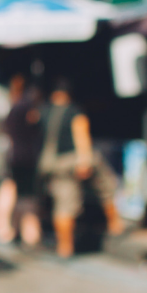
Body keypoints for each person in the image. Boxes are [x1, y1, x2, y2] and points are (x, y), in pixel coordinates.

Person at [37, 78, 124, 258]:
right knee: (106, 186)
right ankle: (115, 224)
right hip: (72, 160)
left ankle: (64, 247)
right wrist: (84, 160)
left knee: (63, 204)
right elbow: (81, 135)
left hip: (53, 165)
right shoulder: (74, 111)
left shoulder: (43, 112)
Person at [0, 74, 43, 246]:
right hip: (24, 158)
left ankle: (9, 228)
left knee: (14, 191)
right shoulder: (25, 107)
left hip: (13, 156)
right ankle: (26, 233)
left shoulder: (12, 108)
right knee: (24, 195)